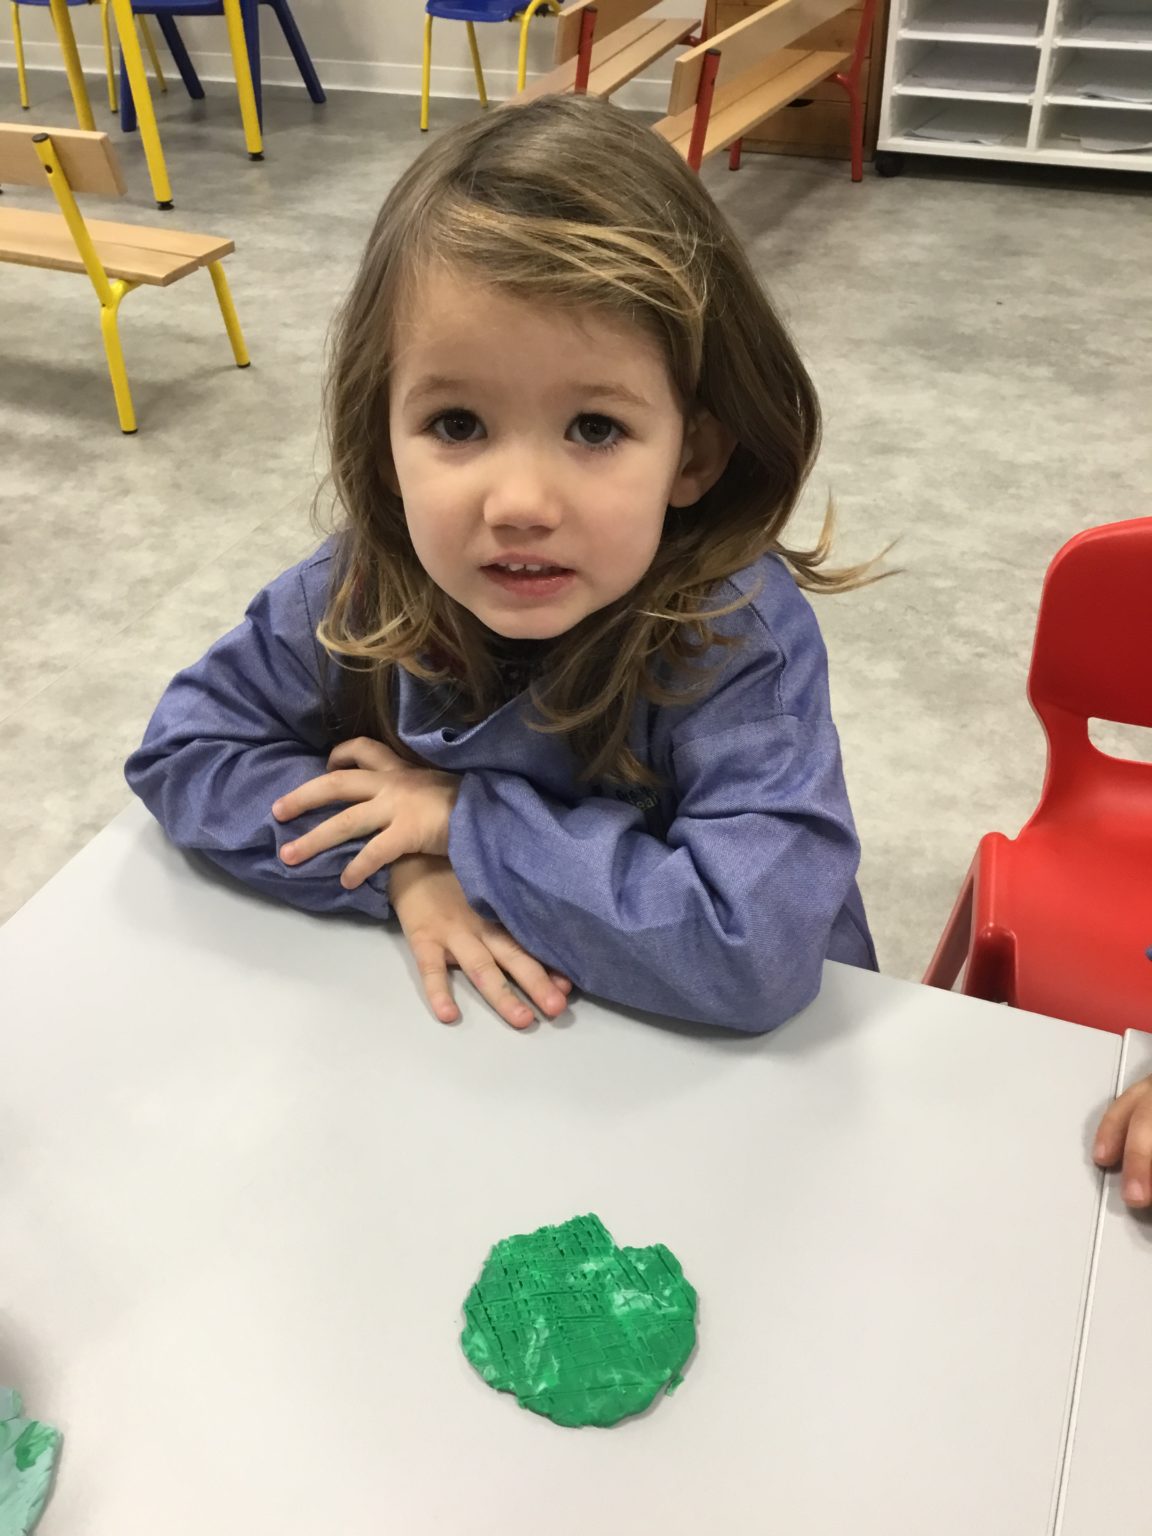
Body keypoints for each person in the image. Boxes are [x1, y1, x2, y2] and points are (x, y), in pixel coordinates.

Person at [126, 94, 878, 1035]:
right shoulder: (357, 589)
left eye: (595, 428)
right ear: (382, 443)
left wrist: (464, 826)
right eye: (457, 424)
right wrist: (407, 865)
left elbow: (755, 949)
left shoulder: (732, 636)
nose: (519, 504)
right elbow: (187, 751)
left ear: (692, 456)